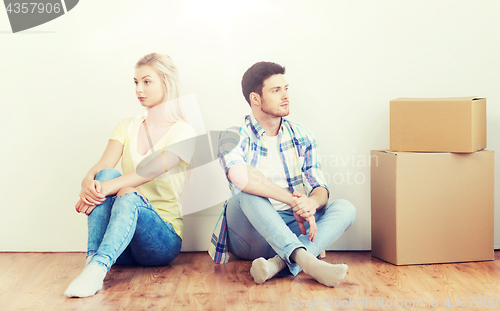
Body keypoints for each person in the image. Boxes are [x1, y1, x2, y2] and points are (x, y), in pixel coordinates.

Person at [208, 61, 356, 287]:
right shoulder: (232, 135)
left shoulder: (302, 135)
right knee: (246, 193)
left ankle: (278, 264)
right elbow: (240, 176)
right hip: (250, 234)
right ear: (255, 98)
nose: (285, 96)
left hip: (292, 227)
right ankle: (309, 262)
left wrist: (311, 205)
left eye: (286, 89)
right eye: (276, 90)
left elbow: (320, 188)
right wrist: (293, 200)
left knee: (346, 208)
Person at [65, 53, 195, 298]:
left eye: (146, 82)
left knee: (129, 194)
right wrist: (88, 182)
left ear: (166, 83)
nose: (139, 89)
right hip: (119, 240)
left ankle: (97, 269)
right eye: (136, 82)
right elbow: (103, 165)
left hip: (161, 241)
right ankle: (93, 262)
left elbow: (146, 172)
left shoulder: (184, 132)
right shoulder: (126, 125)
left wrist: (103, 190)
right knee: (105, 174)